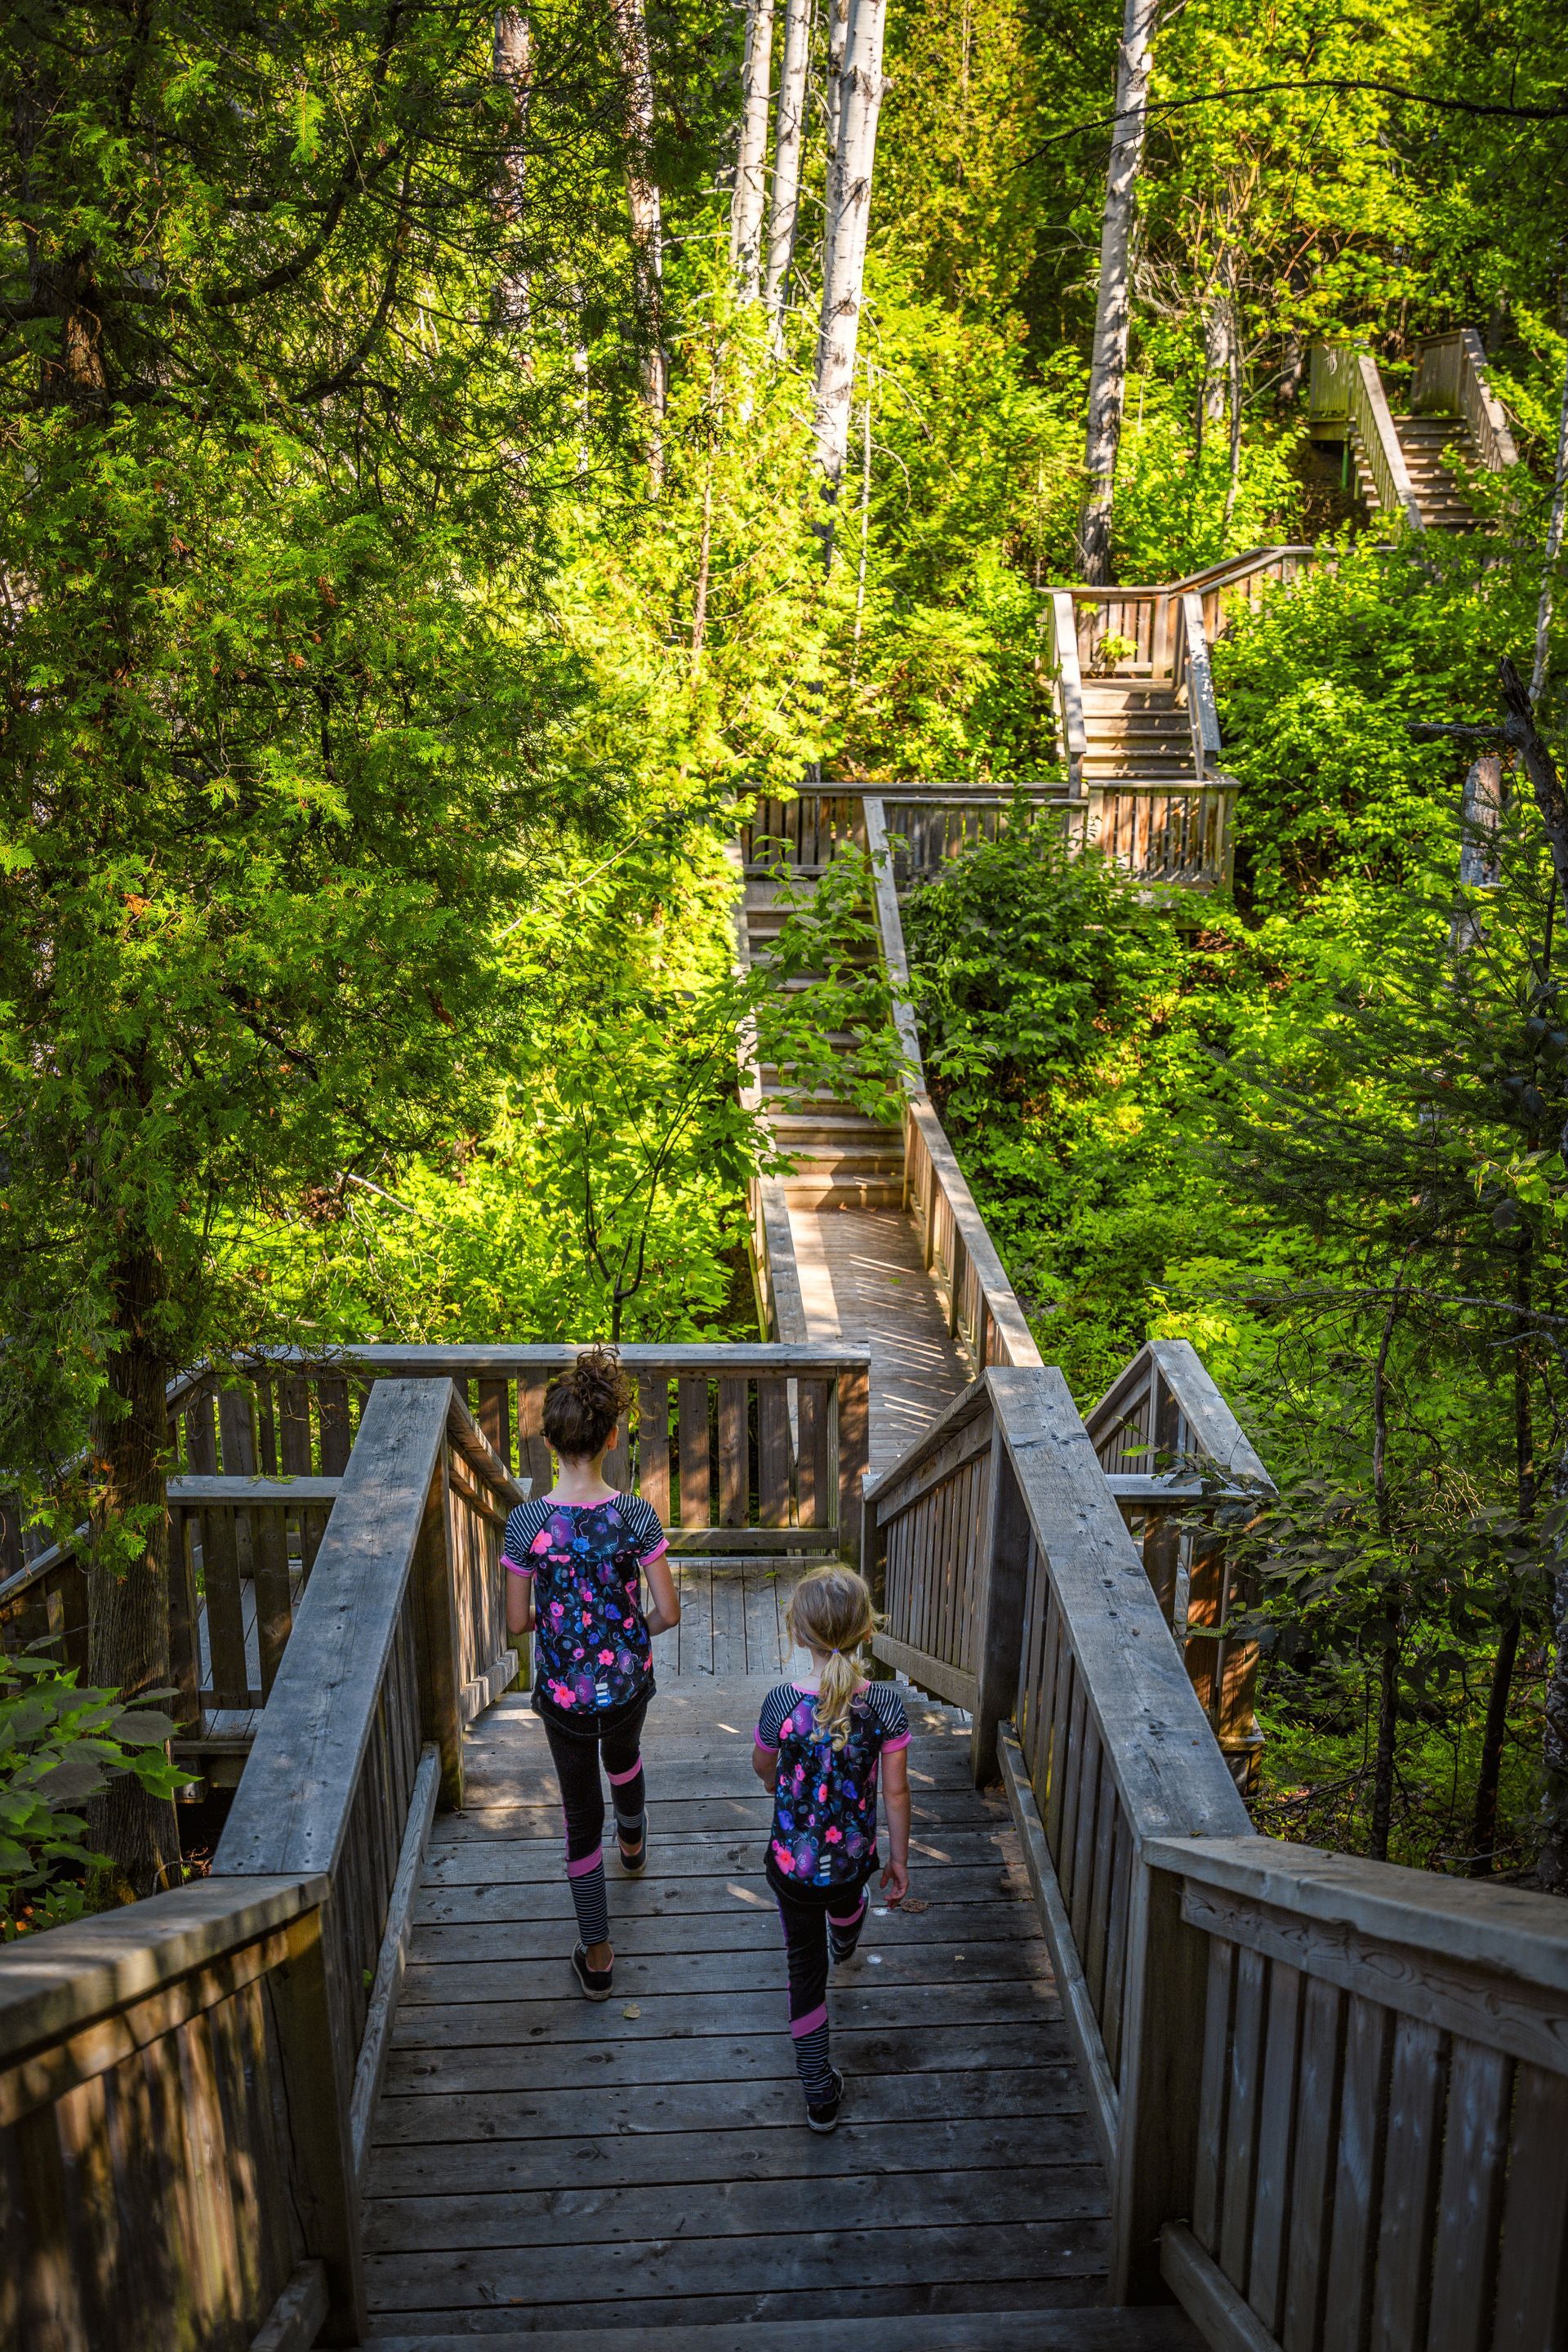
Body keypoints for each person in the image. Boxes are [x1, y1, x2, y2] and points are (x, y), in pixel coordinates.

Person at [502, 1348, 679, 2000]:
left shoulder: (528, 1525)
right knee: (625, 1756)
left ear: (549, 1441)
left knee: (580, 1816)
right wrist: (631, 1637)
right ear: (612, 1436)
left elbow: (517, 1624)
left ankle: (599, 1955)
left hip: (562, 1695)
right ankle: (633, 1840)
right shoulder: (635, 1516)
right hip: (629, 1682)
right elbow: (669, 1610)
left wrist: (565, 1634)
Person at [751, 1566, 911, 2132]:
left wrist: (776, 1783)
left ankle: (819, 2094)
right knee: (846, 1901)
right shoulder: (885, 1707)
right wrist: (898, 1858)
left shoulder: (779, 1705)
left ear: (798, 1633)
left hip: (793, 1865)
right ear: (868, 1630)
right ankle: (846, 1930)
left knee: (804, 1972)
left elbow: (764, 1766)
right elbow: (895, 1789)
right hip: (852, 1860)